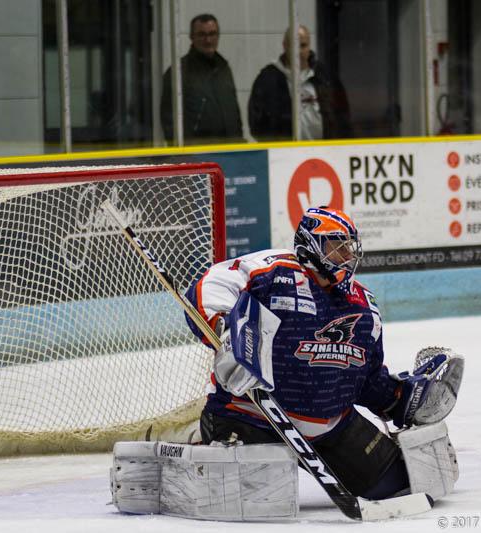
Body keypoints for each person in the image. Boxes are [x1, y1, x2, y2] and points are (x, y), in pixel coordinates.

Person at [183, 206, 464, 502]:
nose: (346, 256)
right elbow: (210, 285)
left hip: (331, 429)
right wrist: (226, 331)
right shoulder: (274, 271)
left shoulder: (364, 307)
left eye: (349, 248)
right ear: (310, 244)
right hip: (251, 415)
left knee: (400, 485)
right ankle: (203, 442)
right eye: (336, 247)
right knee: (248, 500)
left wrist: (400, 399)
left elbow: (366, 379)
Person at [248, 26, 352, 142]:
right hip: (284, 150)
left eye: (303, 45)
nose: (299, 51)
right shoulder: (268, 79)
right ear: (284, 46)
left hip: (325, 149)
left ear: (309, 46)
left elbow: (343, 116)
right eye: (294, 45)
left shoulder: (325, 76)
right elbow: (256, 122)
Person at [160, 14, 243, 145]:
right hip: (196, 151)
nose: (208, 40)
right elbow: (168, 119)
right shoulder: (178, 72)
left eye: (212, 34)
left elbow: (234, 112)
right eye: (202, 35)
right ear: (192, 37)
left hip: (230, 148)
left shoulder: (224, 68)